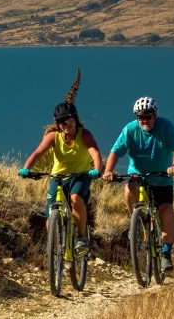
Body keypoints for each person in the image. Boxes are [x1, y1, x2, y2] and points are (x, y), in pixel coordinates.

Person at [19, 69, 102, 255]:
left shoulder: (84, 135)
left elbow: (95, 153)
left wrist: (96, 170)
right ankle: (55, 250)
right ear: (58, 124)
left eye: (70, 121)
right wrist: (26, 169)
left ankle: (81, 238)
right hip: (57, 176)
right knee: (50, 216)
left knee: (75, 199)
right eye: (63, 123)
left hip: (80, 176)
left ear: (75, 119)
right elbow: (38, 153)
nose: (67, 125)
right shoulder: (53, 136)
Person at [102, 96, 174, 271]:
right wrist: (108, 171)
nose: (144, 120)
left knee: (166, 210)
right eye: (141, 117)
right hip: (138, 174)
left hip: (162, 177)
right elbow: (116, 151)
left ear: (155, 115)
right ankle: (136, 221)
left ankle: (166, 253)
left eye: (148, 116)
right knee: (130, 187)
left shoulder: (166, 127)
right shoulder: (130, 130)